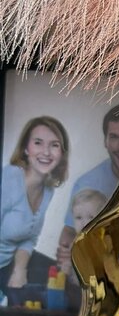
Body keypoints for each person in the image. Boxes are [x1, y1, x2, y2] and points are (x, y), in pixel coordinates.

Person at [56, 104, 119, 272]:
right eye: (114, 137)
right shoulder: (86, 183)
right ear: (105, 141)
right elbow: (70, 229)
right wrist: (67, 249)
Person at [0, 115, 70, 295]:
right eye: (38, 143)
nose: (46, 152)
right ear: (25, 148)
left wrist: (20, 270)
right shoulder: (8, 180)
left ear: (62, 153)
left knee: (62, 279)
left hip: (8, 265)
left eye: (54, 145)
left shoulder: (47, 190)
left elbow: (29, 238)